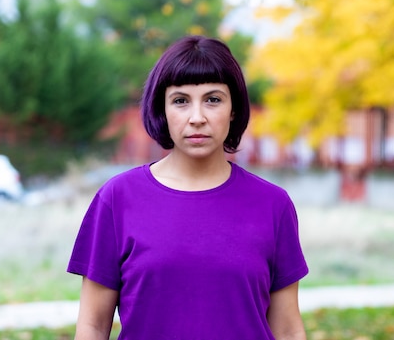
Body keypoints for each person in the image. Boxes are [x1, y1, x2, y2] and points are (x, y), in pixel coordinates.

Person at [68, 35, 309, 340]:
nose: (197, 118)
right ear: (163, 109)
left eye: (213, 99)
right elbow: (92, 326)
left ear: (233, 109)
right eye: (181, 101)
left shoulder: (273, 204)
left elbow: (287, 329)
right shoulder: (117, 199)